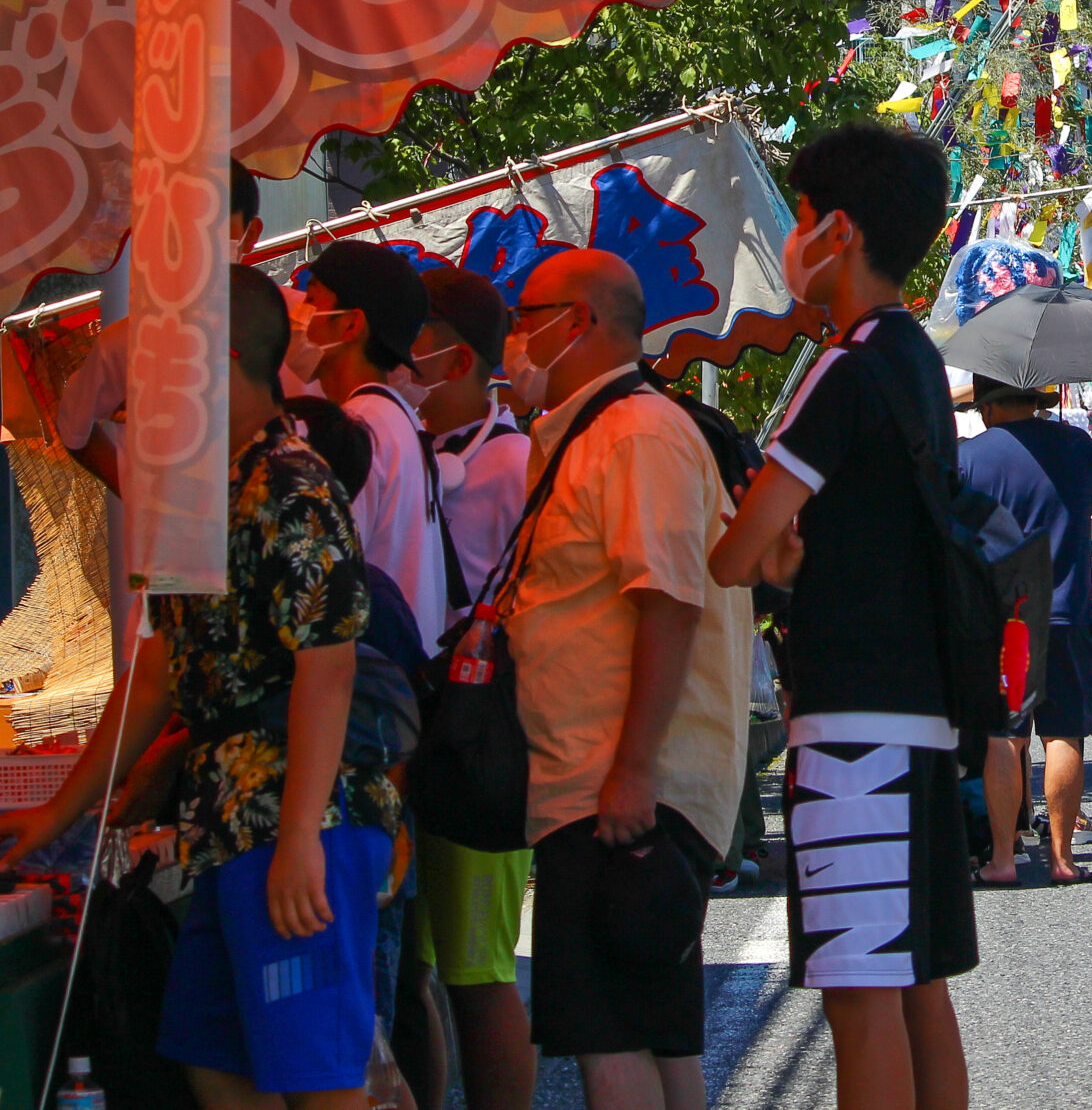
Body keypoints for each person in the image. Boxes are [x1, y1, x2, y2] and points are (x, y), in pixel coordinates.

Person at [0, 265, 395, 1110]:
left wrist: (301, 835)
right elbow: (164, 666)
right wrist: (64, 811)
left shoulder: (289, 482)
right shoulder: (205, 482)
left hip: (294, 812)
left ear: (220, 357)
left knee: (317, 1072)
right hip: (226, 818)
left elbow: (328, 662)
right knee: (210, 1049)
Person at [709, 125, 974, 1110]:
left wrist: (770, 547)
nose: (788, 241)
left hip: (849, 726)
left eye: (798, 218)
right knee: (915, 984)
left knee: (858, 995)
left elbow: (740, 549)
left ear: (837, 231)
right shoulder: (912, 360)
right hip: (919, 712)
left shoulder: (842, 367)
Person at [501, 250, 749, 1110]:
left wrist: (633, 769)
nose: (513, 335)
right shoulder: (599, 428)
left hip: (616, 780)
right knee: (656, 1031)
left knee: (609, 1043)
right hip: (609, 777)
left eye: (525, 313)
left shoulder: (635, 431)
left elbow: (669, 602)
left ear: (577, 322)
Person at [406, 270, 537, 1110]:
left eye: (407, 339)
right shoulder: (397, 445)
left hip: (476, 734)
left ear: (453, 357)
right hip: (403, 730)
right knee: (409, 969)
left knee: (478, 973)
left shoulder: (515, 460)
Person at [957, 379, 1092, 884]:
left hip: (1002, 617)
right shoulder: (1075, 445)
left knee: (1005, 736)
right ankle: (1063, 859)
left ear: (986, 409)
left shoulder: (969, 458)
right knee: (1063, 735)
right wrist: (1074, 526)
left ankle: (1003, 860)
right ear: (1038, 401)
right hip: (1067, 609)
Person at [58, 162, 265, 496]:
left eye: (212, 224)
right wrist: (135, 492)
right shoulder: (126, 343)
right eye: (180, 227)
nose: (196, 240)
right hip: (174, 540)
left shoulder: (302, 329)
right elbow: (74, 427)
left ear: (251, 234)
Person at [296, 241, 452, 645]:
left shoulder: (359, 426)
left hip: (364, 676)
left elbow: (329, 579)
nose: (300, 318)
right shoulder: (395, 417)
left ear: (350, 325)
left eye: (311, 301)